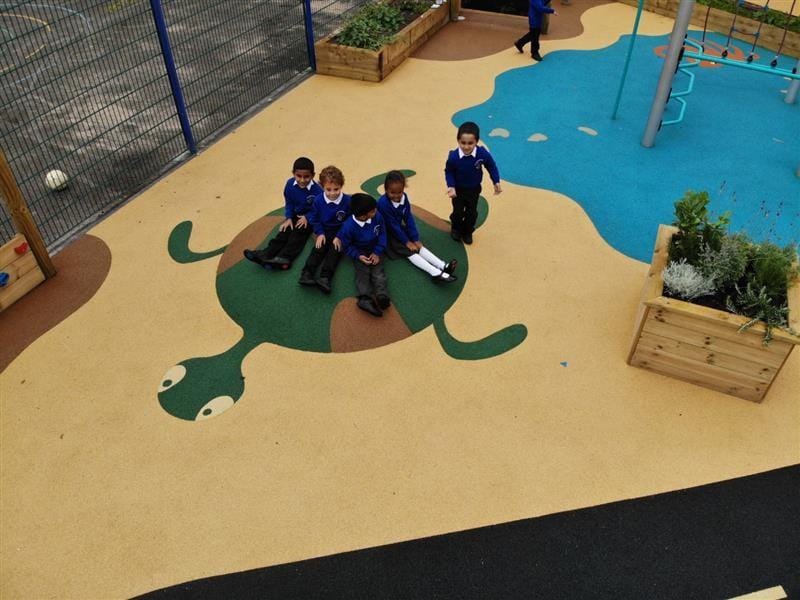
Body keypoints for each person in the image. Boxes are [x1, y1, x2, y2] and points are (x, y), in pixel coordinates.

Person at [377, 170, 458, 283]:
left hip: (398, 229)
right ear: (385, 190)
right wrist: (407, 242)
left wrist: (414, 238)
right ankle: (435, 273)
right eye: (392, 193)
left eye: (399, 192)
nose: (396, 196)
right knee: (409, 251)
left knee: (418, 245)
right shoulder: (383, 204)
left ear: (404, 189)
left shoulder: (404, 198)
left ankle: (443, 266)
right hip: (387, 232)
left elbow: (408, 218)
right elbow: (392, 225)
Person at [243, 156, 322, 270]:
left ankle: (285, 258)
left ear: (313, 175)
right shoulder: (290, 185)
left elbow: (319, 208)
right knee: (284, 232)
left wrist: (307, 217)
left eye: (306, 177)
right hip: (295, 215)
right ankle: (267, 253)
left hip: (310, 218)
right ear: (293, 173)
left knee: (298, 234)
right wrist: (289, 217)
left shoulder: (317, 191)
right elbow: (289, 202)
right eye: (298, 176)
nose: (302, 180)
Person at [444, 121, 502, 245]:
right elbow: (449, 172)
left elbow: (491, 166)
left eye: (470, 143)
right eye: (463, 143)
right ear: (458, 140)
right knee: (458, 212)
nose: (466, 147)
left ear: (477, 141)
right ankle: (456, 228)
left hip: (474, 189)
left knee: (472, 212)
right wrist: (451, 186)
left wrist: (495, 180)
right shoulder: (453, 157)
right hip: (458, 190)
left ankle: (468, 231)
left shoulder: (482, 153)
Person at [336, 193, 391, 317]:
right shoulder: (348, 227)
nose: (375, 212)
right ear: (362, 216)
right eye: (372, 211)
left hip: (375, 249)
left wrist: (377, 252)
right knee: (363, 272)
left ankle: (382, 295)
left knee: (378, 271)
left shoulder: (377, 216)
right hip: (359, 252)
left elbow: (382, 233)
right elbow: (347, 246)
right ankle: (364, 298)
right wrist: (358, 255)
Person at [299, 165, 351, 294]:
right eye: (328, 189)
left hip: (339, 233)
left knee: (335, 253)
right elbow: (314, 219)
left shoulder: (348, 201)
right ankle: (307, 274)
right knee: (318, 250)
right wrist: (320, 233)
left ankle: (325, 278)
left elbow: (348, 222)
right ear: (322, 186)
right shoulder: (318, 200)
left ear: (342, 186)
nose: (332, 193)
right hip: (323, 231)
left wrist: (339, 236)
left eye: (336, 189)